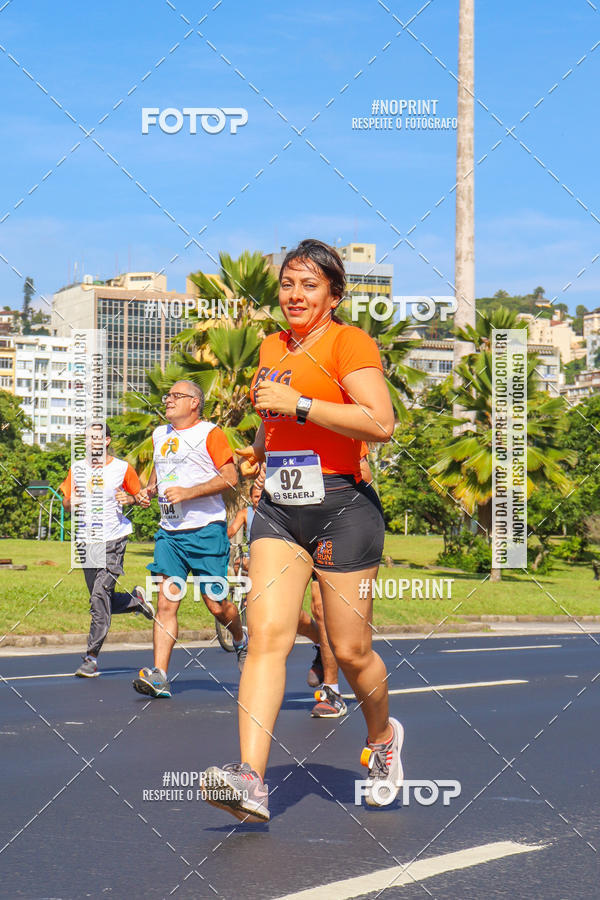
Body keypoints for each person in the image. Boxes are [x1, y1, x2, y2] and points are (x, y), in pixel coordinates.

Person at [201, 239, 402, 822]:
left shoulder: (349, 342)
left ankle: (383, 737)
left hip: (343, 507)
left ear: (333, 295)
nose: (294, 294)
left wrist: (302, 403)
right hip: (280, 510)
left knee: (350, 649)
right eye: (288, 283)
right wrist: (255, 452)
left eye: (309, 285)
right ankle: (250, 779)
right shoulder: (270, 345)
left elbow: (379, 422)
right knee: (267, 637)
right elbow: (274, 420)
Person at [132, 381, 244, 699]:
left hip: (206, 530)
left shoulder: (210, 433)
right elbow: (160, 471)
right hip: (170, 533)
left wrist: (188, 493)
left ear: (195, 403)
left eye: (176, 396)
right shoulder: (160, 434)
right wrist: (148, 490)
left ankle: (240, 638)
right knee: (167, 602)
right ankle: (160, 675)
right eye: (167, 396)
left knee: (217, 605)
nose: (168, 400)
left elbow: (230, 476)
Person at [60, 424, 155, 678]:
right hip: (86, 541)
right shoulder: (77, 468)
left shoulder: (122, 468)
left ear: (106, 441)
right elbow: (66, 503)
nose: (91, 442)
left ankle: (91, 658)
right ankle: (135, 601)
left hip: (114, 539)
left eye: (96, 438)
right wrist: (72, 502)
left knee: (99, 596)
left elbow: (143, 499)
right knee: (98, 599)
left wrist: (132, 499)